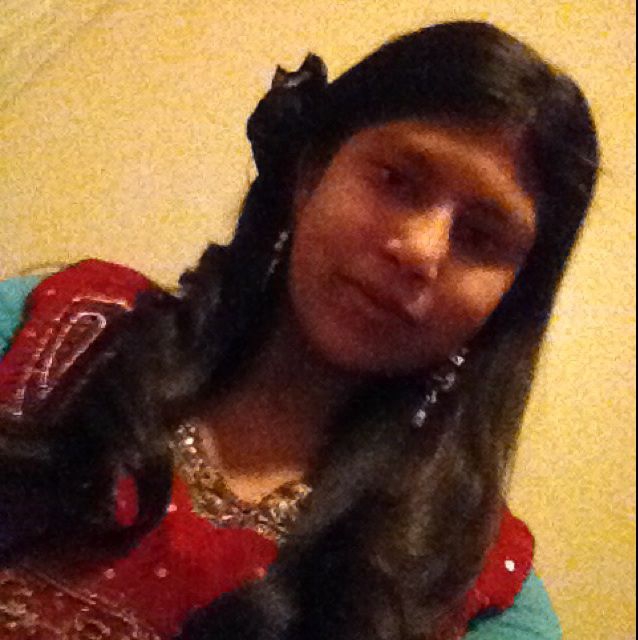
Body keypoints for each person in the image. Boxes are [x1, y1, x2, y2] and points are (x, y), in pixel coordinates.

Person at [0, 20, 598, 640]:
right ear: (311, 174)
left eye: (480, 237)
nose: (420, 249)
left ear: (508, 297)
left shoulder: (470, 586)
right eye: (397, 180)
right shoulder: (58, 333)